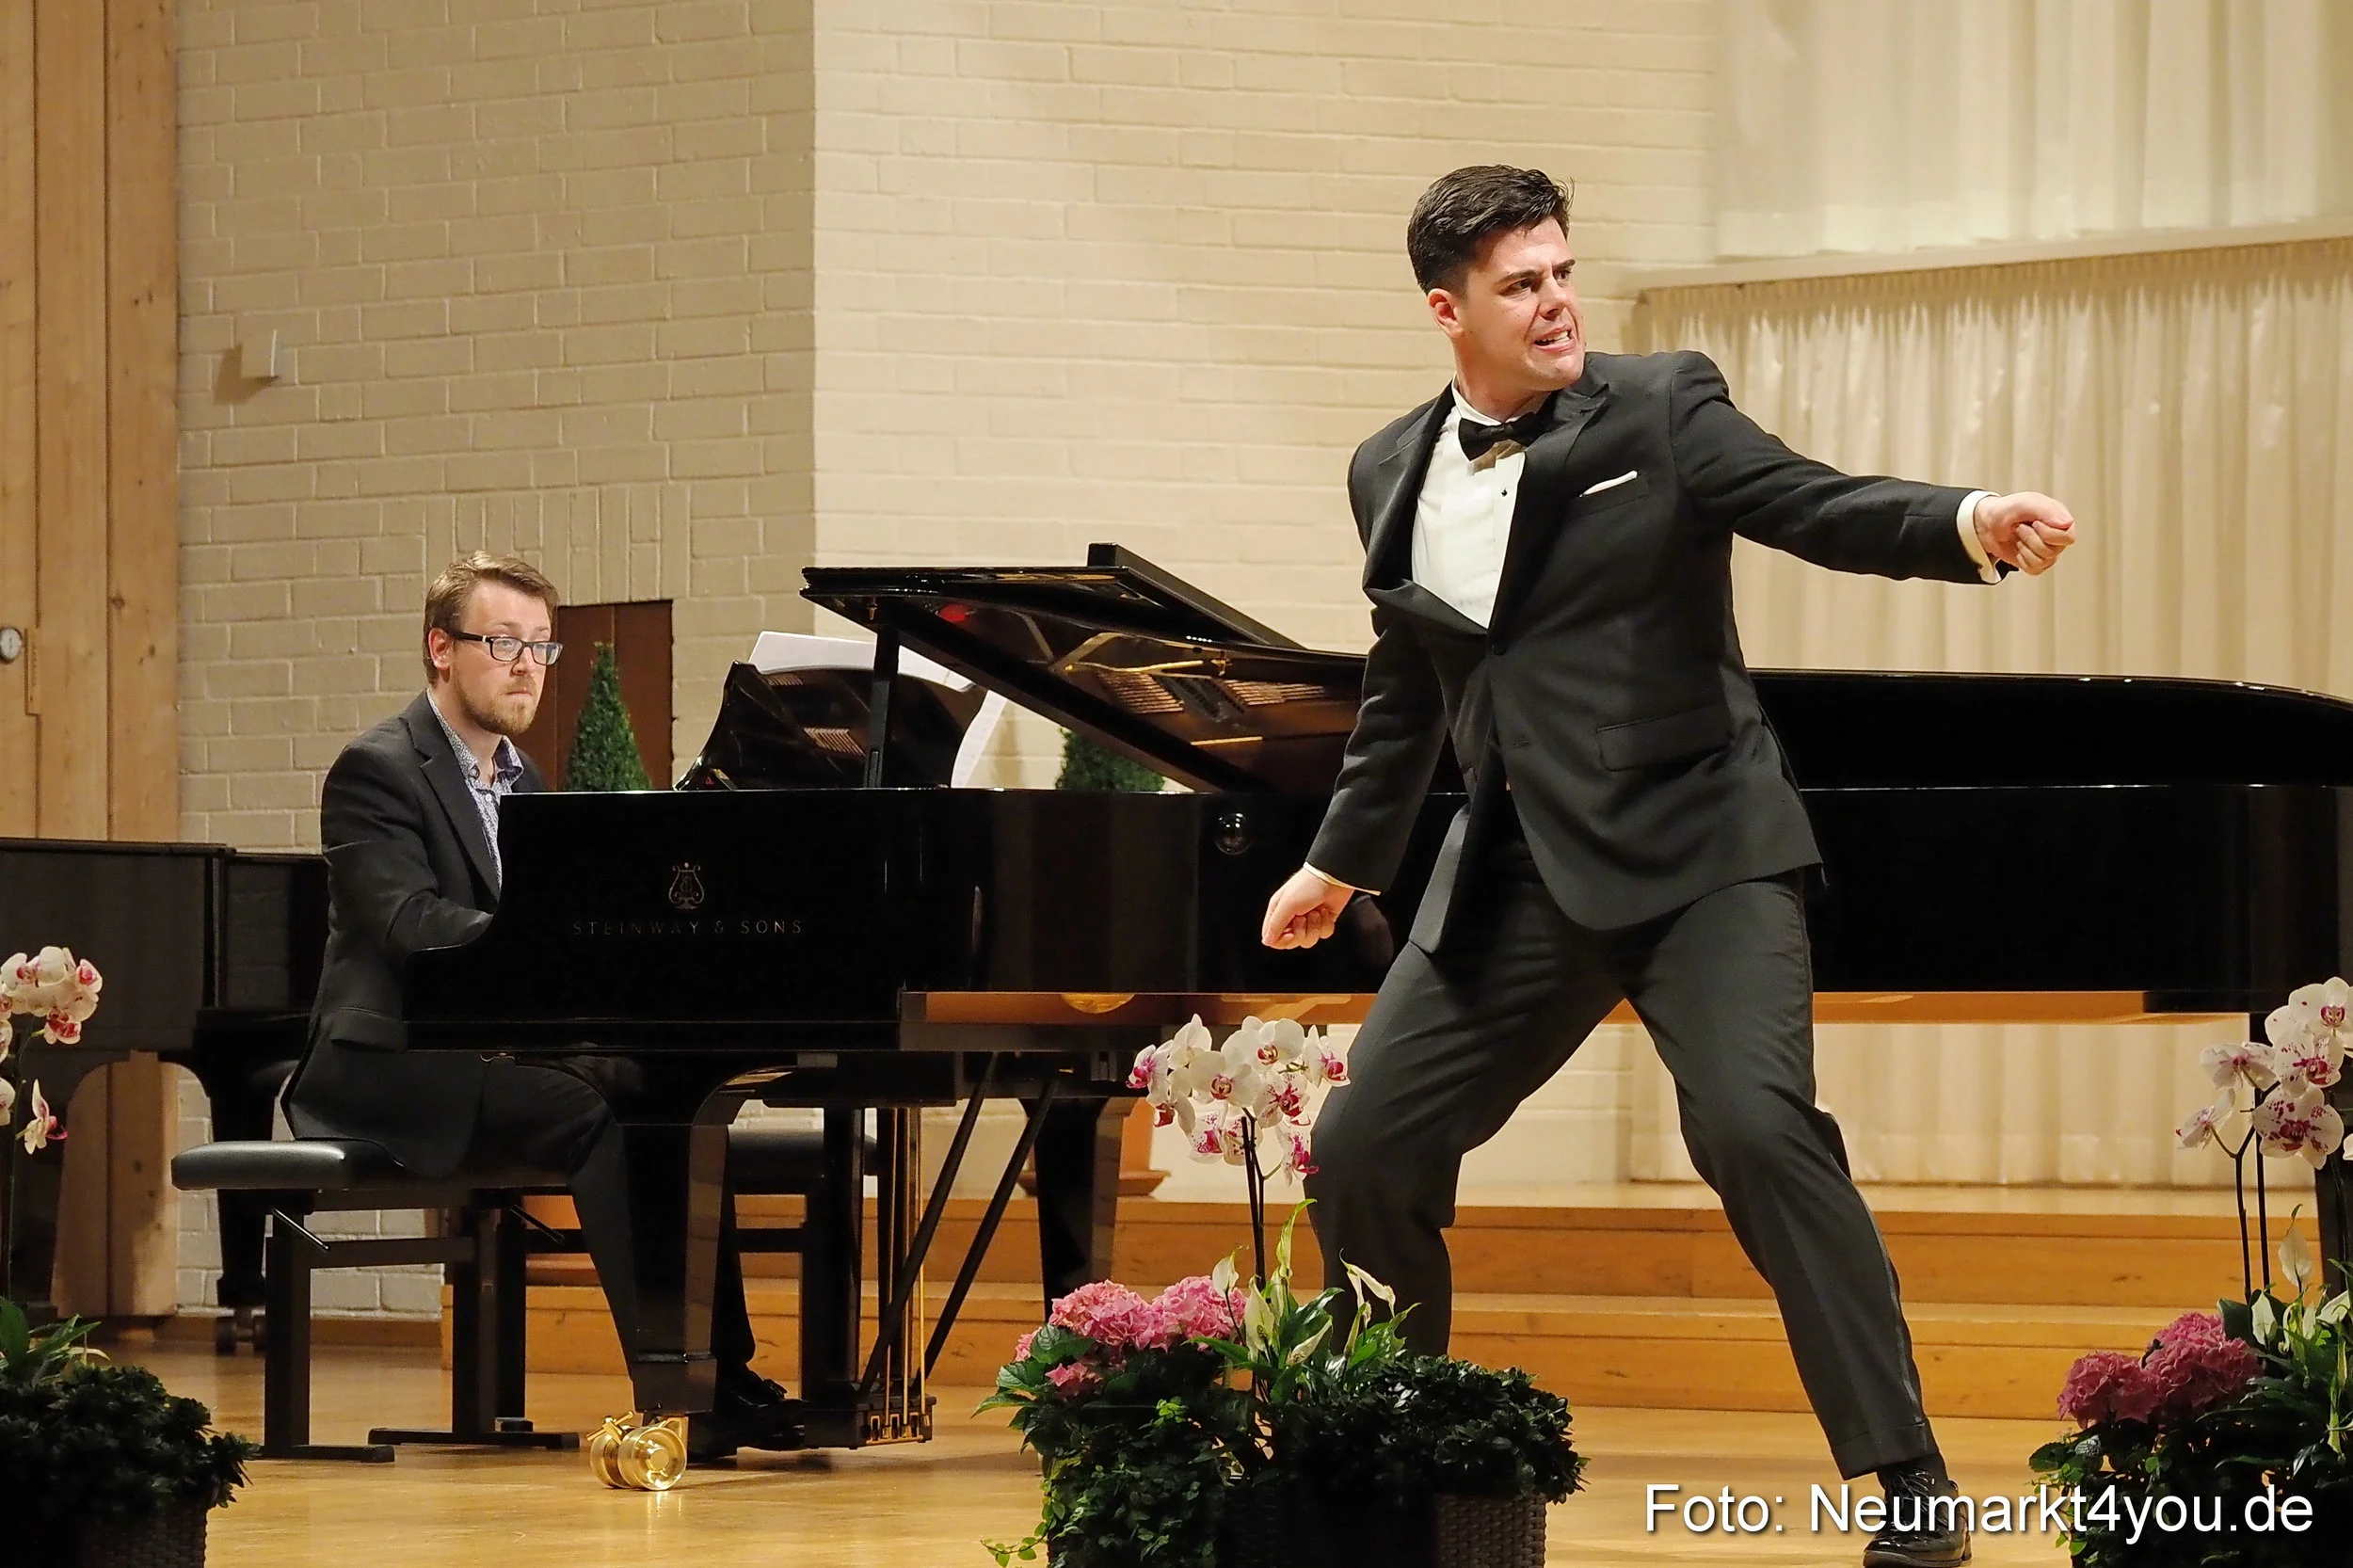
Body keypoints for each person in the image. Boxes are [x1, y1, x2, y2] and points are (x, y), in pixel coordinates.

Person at [1261, 166, 2076, 1568]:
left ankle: (1910, 1482)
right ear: (1449, 310)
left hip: (1704, 853)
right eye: (1522, 283)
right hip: (1517, 867)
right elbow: (1409, 682)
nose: (1558, 300)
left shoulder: (1662, 406)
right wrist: (1339, 862)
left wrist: (1968, 516)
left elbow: (1811, 500)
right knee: (1362, 1143)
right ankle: (1387, 1451)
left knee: (1756, 1132)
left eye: (1563, 270)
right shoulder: (1387, 465)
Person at [282, 551, 788, 1461]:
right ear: (441, 648)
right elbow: (407, 923)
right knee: (600, 1113)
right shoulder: (377, 770)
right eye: (502, 642)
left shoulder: (529, 788)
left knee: (669, 1103)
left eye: (541, 649)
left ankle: (724, 1374)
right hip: (381, 1061)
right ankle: (675, 1390)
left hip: (488, 1056)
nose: (525, 667)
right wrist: (544, 945)